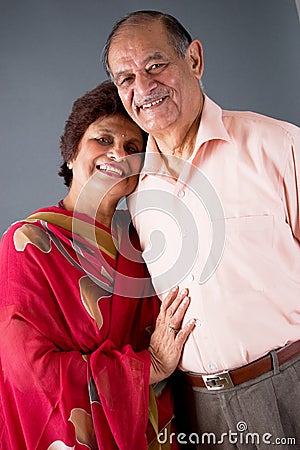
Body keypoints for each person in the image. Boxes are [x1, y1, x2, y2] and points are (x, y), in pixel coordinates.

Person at [103, 10, 300, 449]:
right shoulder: (132, 194)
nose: (144, 87)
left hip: (292, 382)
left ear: (193, 59)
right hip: (199, 409)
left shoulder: (277, 144)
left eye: (155, 66)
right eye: (126, 79)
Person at [0, 80, 196, 450]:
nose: (117, 154)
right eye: (103, 140)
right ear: (71, 153)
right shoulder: (27, 244)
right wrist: (147, 366)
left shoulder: (143, 243)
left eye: (132, 148)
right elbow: (25, 370)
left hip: (154, 430)